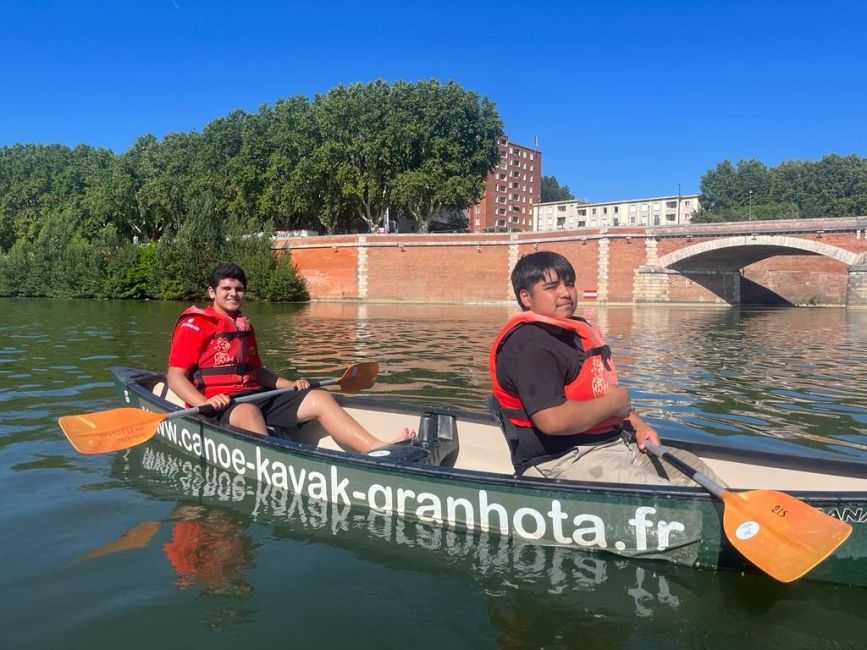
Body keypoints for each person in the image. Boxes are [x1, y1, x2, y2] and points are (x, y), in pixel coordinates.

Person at [489, 251, 721, 485]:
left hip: (616, 444)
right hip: (562, 459)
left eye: (569, 284)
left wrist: (639, 424)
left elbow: (596, 393)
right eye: (551, 287)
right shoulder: (530, 344)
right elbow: (552, 420)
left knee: (700, 476)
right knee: (679, 497)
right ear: (526, 298)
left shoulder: (574, 335)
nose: (565, 293)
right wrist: (614, 404)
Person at [167, 262, 412, 452]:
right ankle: (275, 462)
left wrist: (290, 385)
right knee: (249, 411)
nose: (234, 294)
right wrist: (203, 402)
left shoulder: (243, 324)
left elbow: (258, 373)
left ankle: (375, 448)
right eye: (226, 289)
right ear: (212, 292)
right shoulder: (195, 325)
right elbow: (175, 377)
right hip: (218, 404)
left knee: (318, 397)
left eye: (239, 289)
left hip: (255, 394)